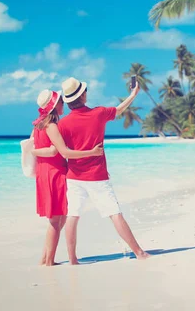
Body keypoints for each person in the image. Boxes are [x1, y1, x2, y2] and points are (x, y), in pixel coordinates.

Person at [57, 77, 150, 264]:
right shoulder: (98, 113)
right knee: (115, 213)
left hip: (74, 177)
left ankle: (72, 259)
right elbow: (120, 109)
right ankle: (139, 252)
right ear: (82, 96)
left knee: (72, 216)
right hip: (97, 176)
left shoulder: (63, 124)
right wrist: (133, 94)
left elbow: (61, 150)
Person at [30, 89, 104, 266]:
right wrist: (92, 152)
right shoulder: (52, 126)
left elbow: (32, 145)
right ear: (55, 106)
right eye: (61, 102)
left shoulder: (38, 124)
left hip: (44, 172)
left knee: (59, 218)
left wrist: (36, 151)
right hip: (54, 173)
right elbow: (62, 151)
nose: (64, 104)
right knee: (56, 220)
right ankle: (49, 262)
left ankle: (45, 259)